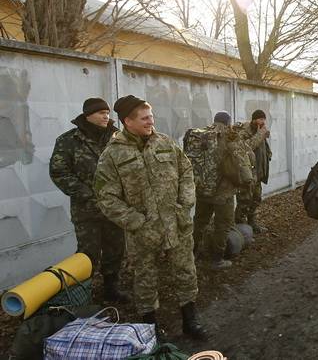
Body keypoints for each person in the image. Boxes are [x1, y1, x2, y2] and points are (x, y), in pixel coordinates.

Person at [94, 95, 208, 340]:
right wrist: (136, 222)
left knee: (186, 271)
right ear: (128, 121)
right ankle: (151, 328)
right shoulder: (112, 155)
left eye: (151, 117)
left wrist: (184, 205)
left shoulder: (165, 142)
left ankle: (190, 320)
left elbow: (186, 171)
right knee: (145, 278)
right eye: (145, 118)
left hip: (176, 224)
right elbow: (106, 197)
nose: (151, 122)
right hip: (143, 232)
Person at [49, 98, 130, 303]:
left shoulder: (117, 137)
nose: (106, 116)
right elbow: (59, 172)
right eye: (101, 113)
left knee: (115, 250)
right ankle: (82, 295)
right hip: (86, 210)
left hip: (114, 208)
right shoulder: (68, 141)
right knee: (87, 254)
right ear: (88, 115)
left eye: (108, 113)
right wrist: (87, 194)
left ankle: (111, 289)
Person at [194, 111, 268, 269]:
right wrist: (246, 181)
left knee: (199, 222)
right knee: (223, 224)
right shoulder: (230, 136)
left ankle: (193, 254)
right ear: (228, 122)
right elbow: (245, 158)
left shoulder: (201, 135)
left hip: (202, 189)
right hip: (223, 192)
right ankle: (217, 259)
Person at [235, 109, 272, 233]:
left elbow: (264, 147)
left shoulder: (260, 131)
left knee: (256, 199)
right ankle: (240, 227)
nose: (263, 122)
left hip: (258, 173)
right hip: (248, 174)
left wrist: (268, 155)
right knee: (244, 200)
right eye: (260, 119)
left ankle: (252, 223)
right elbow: (246, 147)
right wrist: (261, 134)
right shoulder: (245, 131)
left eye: (264, 119)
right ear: (254, 119)